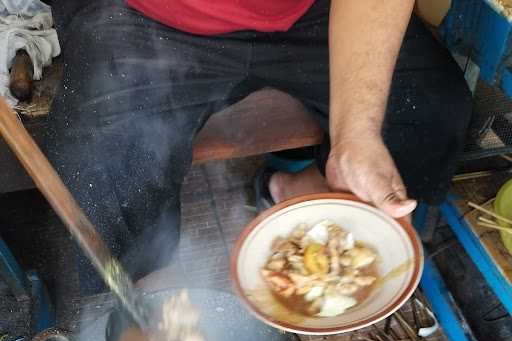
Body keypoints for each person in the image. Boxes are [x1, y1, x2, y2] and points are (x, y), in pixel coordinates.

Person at [44, 0, 472, 294]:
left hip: (311, 10)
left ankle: (296, 191)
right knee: (96, 162)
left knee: (431, 109)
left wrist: (355, 133)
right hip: (145, 14)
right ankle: (149, 301)